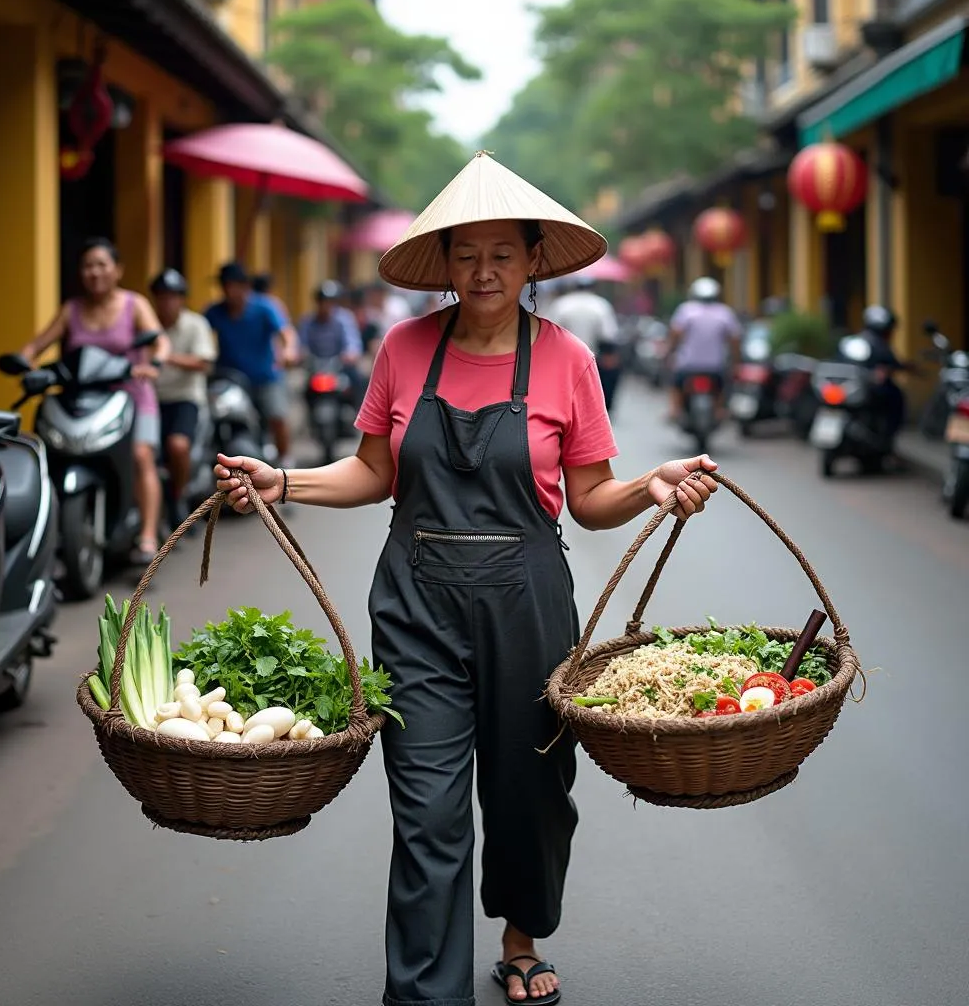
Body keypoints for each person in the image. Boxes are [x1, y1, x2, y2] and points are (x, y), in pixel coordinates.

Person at [214, 152, 717, 1006]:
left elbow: (590, 499)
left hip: (527, 599)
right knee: (428, 812)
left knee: (529, 793)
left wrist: (650, 488)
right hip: (414, 602)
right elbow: (374, 471)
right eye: (465, 254)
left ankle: (521, 937)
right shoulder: (403, 349)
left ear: (531, 264)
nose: (483, 272)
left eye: (502, 255)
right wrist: (284, 481)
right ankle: (422, 993)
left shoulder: (567, 361)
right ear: (443, 265)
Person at [20, 237, 169, 565]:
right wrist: (25, 364)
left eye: (102, 264)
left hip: (131, 394)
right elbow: (35, 346)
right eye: (88, 265)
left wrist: (154, 364)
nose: (94, 272)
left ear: (118, 270)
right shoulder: (71, 310)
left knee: (142, 455)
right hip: (83, 398)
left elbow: (160, 342)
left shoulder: (135, 304)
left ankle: (147, 534)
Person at [205, 262, 294, 468]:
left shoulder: (263, 308)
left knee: (277, 416)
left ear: (245, 286)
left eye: (234, 285)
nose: (230, 291)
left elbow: (285, 333)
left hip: (264, 379)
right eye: (225, 286)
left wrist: (288, 350)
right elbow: (200, 335)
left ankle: (285, 461)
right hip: (229, 381)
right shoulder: (214, 312)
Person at [149, 268, 218, 530]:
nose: (167, 302)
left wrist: (165, 357)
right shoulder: (147, 324)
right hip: (150, 400)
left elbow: (204, 362)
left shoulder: (195, 324)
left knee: (178, 446)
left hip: (184, 399)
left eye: (173, 296)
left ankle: (178, 497)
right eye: (162, 296)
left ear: (182, 298)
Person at [666, 277, 742, 421]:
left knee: (675, 383)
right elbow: (735, 340)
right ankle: (720, 409)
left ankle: (675, 409)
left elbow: (675, 334)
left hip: (688, 365)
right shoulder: (725, 313)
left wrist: (670, 352)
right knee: (723, 385)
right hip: (715, 365)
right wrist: (737, 360)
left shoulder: (686, 310)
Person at [547, 276, 623, 413]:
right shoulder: (601, 305)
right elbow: (609, 335)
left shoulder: (561, 304)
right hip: (592, 359)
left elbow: (549, 332)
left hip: (563, 358)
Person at [295, 280, 367, 405]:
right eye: (323, 301)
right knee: (300, 390)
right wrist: (301, 355)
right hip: (316, 368)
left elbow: (352, 342)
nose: (326, 305)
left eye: (330, 302)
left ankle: (359, 418)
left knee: (359, 383)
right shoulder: (307, 322)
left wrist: (351, 354)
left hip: (340, 367)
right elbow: (302, 345)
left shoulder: (344, 319)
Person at [856, 304, 908, 437]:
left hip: (863, 389)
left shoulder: (860, 340)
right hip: (862, 388)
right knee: (895, 396)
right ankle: (887, 433)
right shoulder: (874, 344)